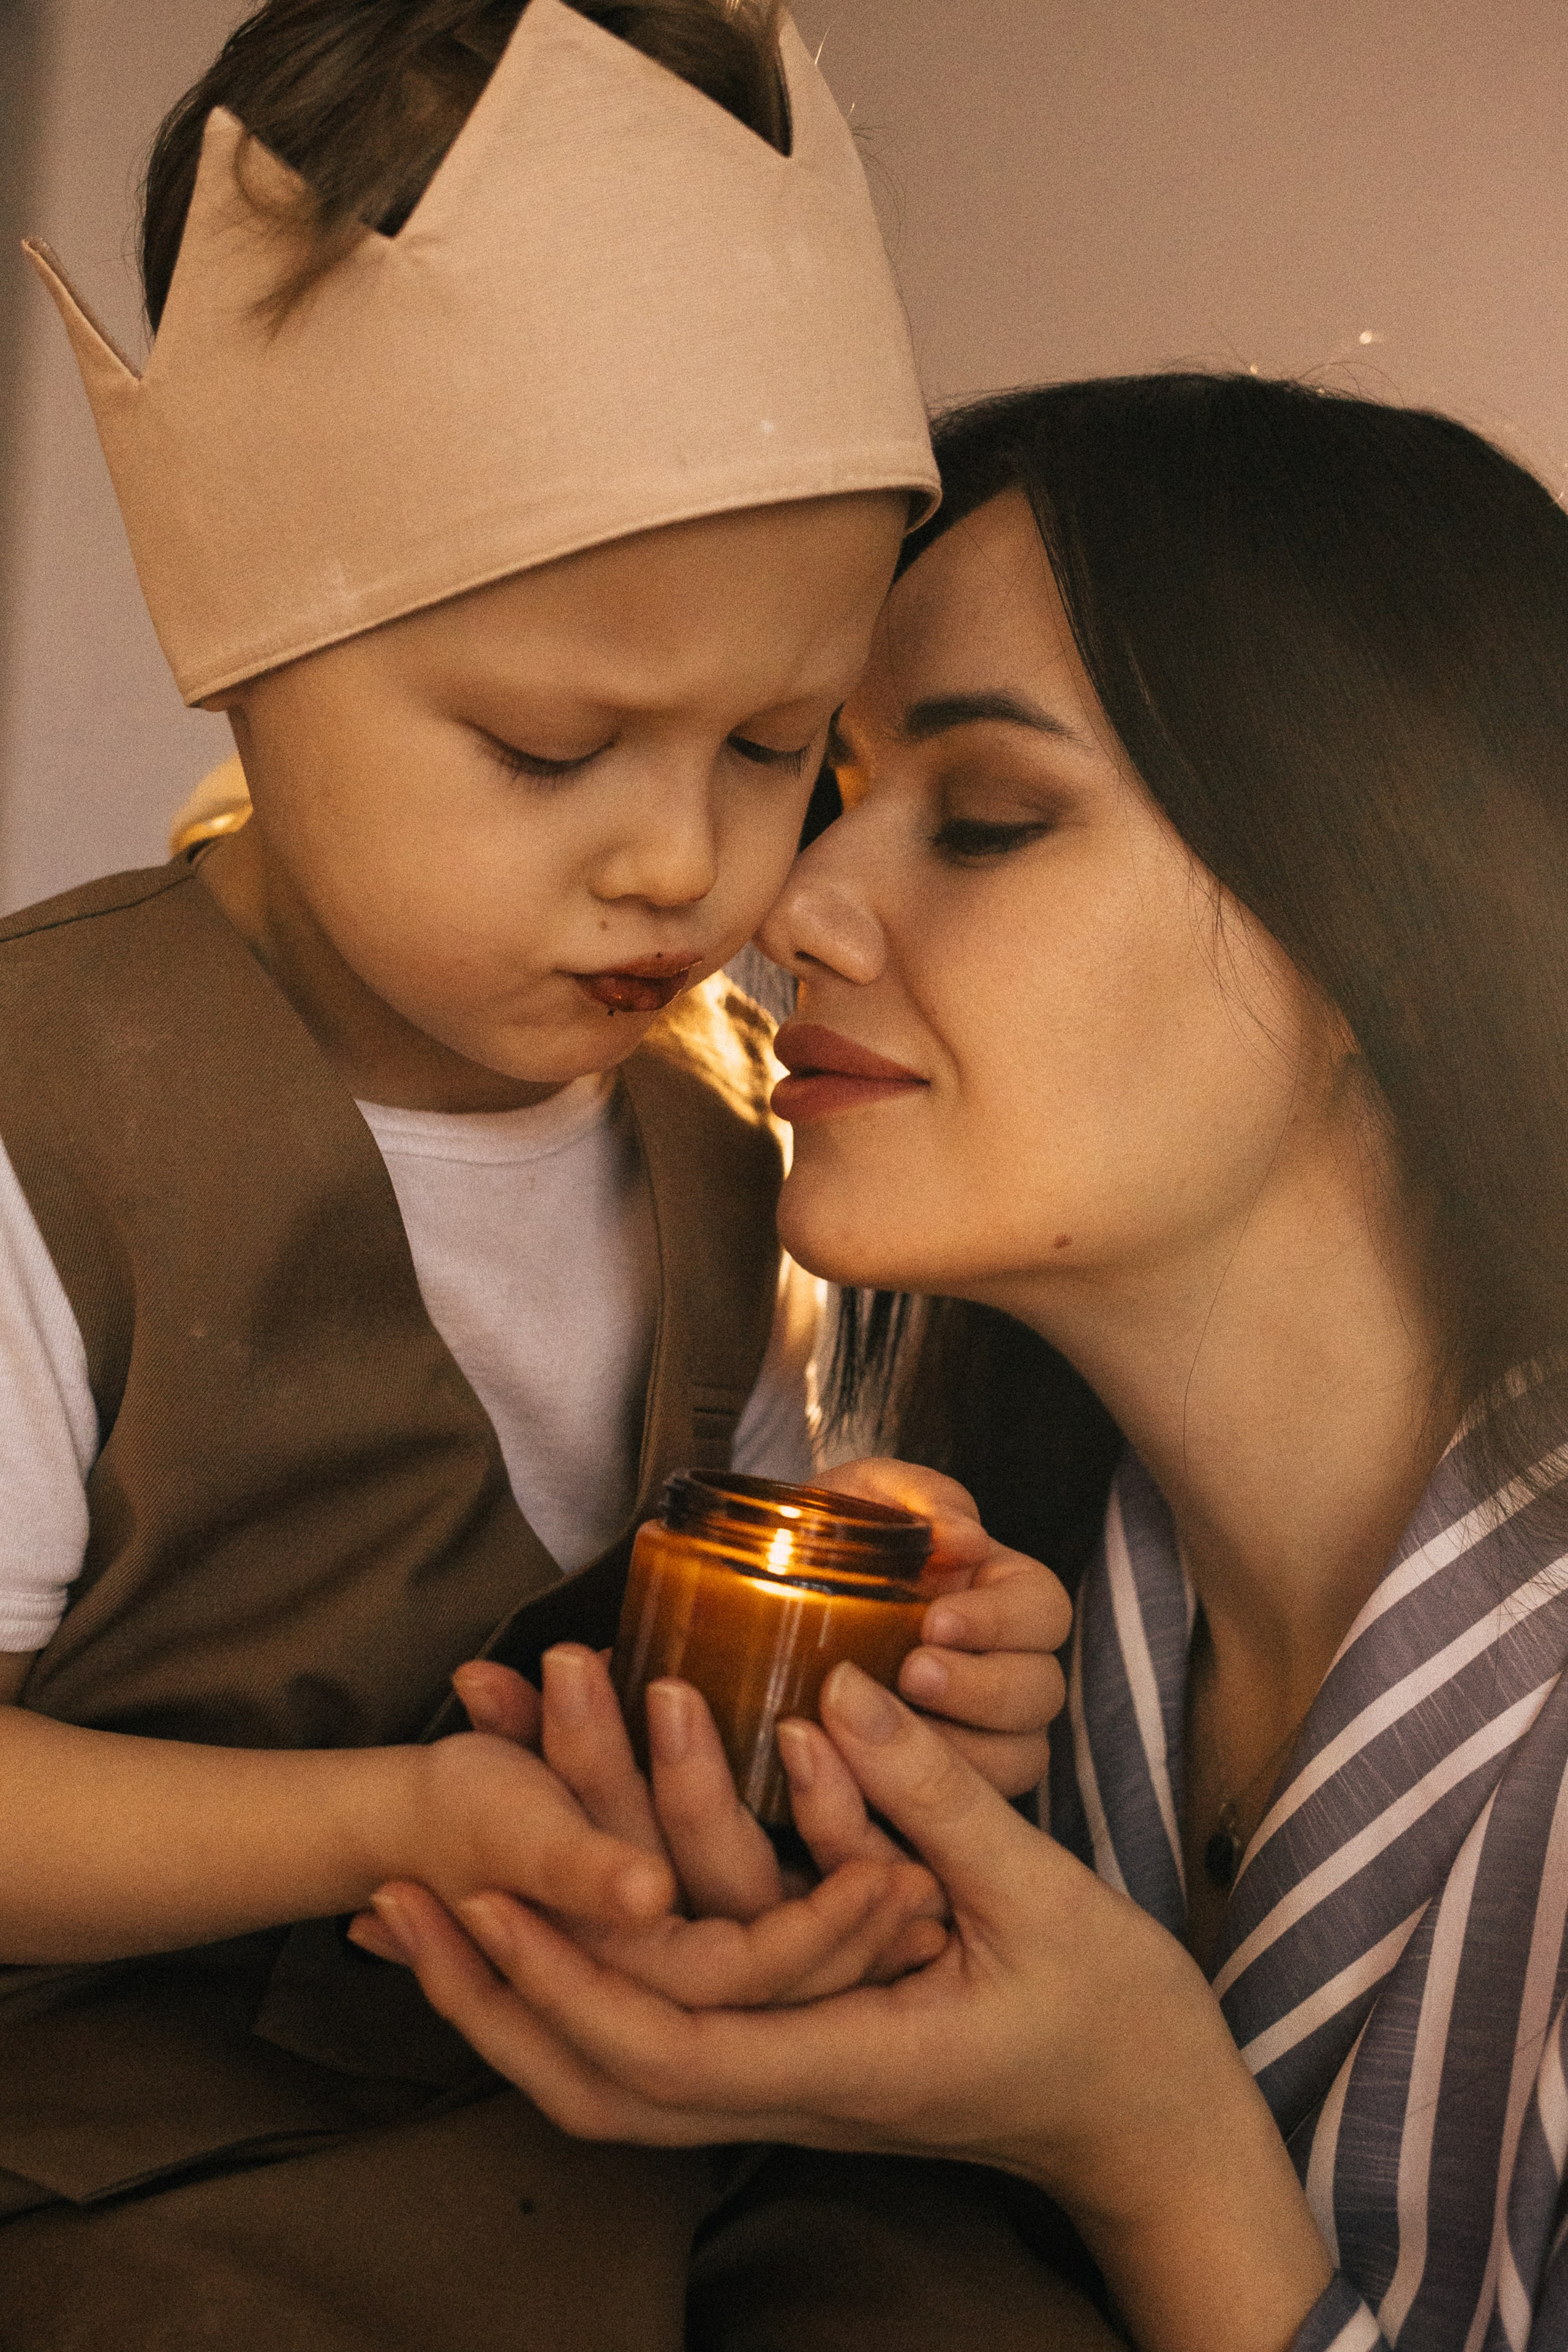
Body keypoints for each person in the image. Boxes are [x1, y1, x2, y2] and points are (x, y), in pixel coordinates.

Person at [0, 9, 1085, 2346]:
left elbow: (720, 1691)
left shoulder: (718, 1154)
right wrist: (389, 1826)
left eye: (784, 743)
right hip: (146, 2193)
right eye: (548, 747)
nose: (685, 863)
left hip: (651, 2146)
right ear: (246, 651)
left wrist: (900, 1680)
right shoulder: (44, 1125)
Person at [366, 373, 1568, 2351]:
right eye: (824, 792)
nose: (787, 908)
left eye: (990, 820)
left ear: (1386, 923)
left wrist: (1144, 2136)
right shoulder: (980, 1645)